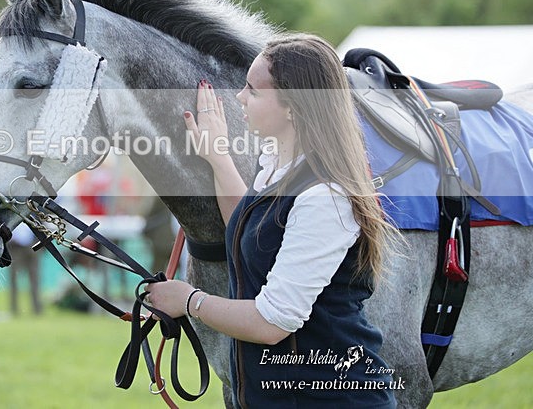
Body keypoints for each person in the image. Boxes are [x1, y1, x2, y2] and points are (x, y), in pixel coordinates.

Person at [147, 34, 401, 408]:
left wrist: (189, 300)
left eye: (253, 90)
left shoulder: (325, 196)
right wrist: (218, 157)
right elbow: (249, 232)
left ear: (293, 107)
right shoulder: (277, 164)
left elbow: (272, 323)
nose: (239, 97)